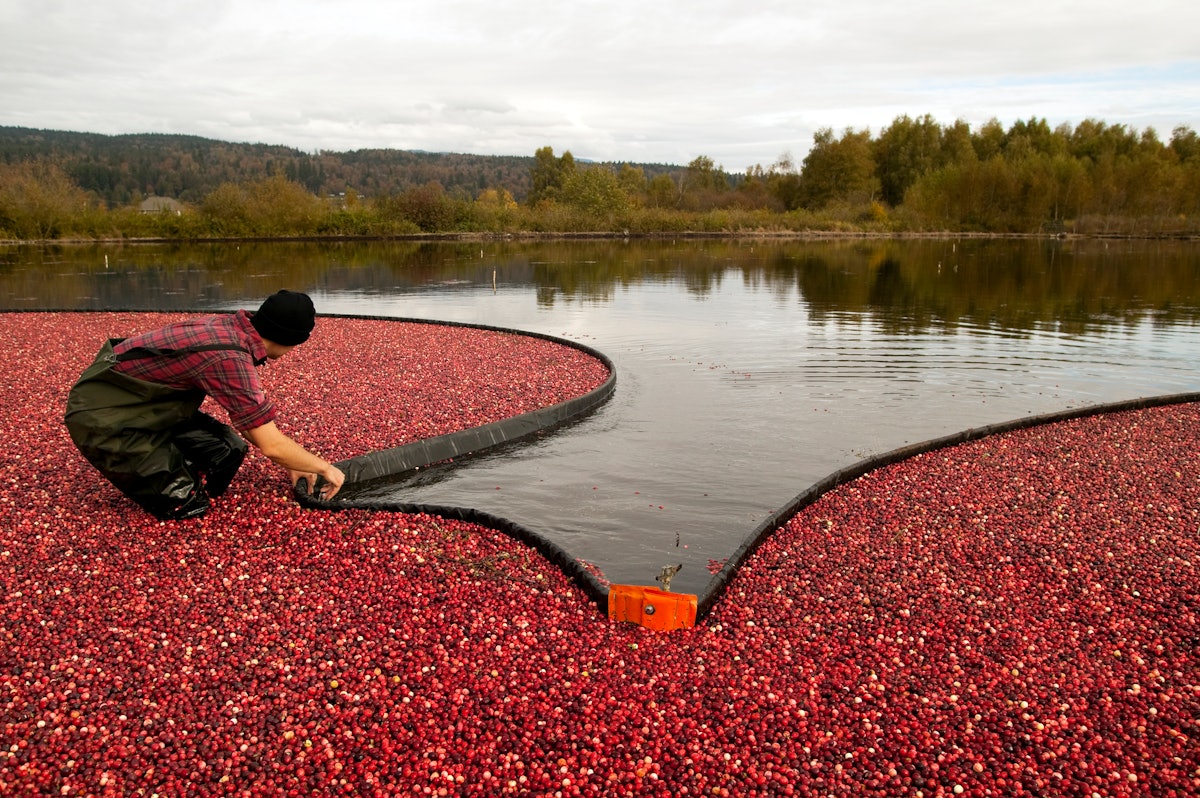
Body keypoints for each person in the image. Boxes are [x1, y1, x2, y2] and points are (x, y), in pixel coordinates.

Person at [64, 290, 345, 520]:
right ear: (291, 340)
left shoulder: (232, 328)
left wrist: (294, 463)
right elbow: (270, 444)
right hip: (104, 418)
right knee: (185, 503)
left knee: (227, 452)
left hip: (146, 405)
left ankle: (171, 466)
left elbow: (251, 424)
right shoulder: (228, 357)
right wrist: (323, 468)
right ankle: (167, 480)